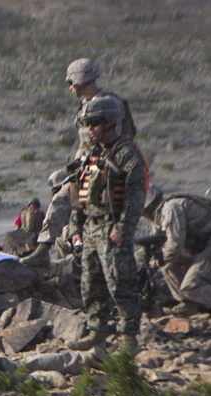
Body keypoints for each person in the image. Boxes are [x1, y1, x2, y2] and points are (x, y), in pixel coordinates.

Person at [22, 58, 137, 269]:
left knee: (72, 204)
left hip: (105, 168)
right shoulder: (84, 106)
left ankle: (45, 249)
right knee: (66, 202)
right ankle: (51, 248)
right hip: (84, 166)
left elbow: (124, 137)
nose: (70, 87)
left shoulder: (111, 103)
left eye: (71, 82)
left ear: (80, 79)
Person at [66, 96, 147, 356]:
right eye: (87, 123)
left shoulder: (126, 155)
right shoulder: (93, 154)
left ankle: (128, 337)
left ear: (111, 122)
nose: (90, 128)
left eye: (96, 123)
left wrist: (122, 230)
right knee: (91, 283)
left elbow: (135, 199)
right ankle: (96, 330)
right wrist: (75, 228)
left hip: (112, 228)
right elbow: (80, 195)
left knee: (121, 282)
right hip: (91, 226)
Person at [141, 186, 211, 314]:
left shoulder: (171, 209)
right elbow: (159, 244)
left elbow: (175, 246)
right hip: (199, 248)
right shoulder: (160, 217)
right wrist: (141, 259)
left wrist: (156, 261)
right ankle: (187, 304)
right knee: (167, 264)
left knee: (191, 285)